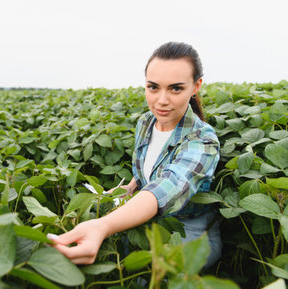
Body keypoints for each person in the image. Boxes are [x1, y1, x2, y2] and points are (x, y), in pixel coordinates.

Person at [48, 42, 221, 267]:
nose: (161, 100)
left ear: (196, 86)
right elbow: (149, 169)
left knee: (148, 273)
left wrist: (103, 226)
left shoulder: (203, 141)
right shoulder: (146, 122)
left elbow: (169, 185)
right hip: (146, 219)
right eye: (153, 87)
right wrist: (131, 187)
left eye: (175, 88)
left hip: (190, 230)